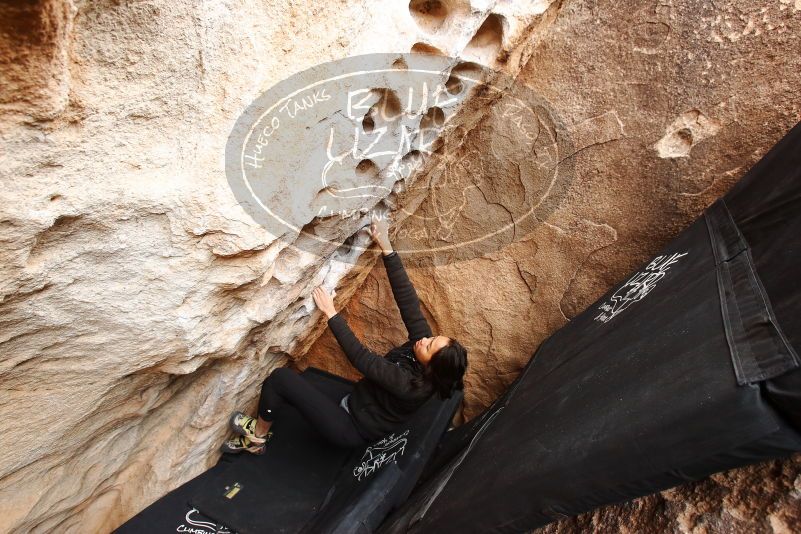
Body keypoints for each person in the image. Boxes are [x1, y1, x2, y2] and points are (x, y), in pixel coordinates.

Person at [221, 215, 468, 454]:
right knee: (297, 386)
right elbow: (408, 301)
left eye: (429, 347)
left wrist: (331, 313)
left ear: (431, 368)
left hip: (351, 428)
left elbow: (362, 358)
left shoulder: (410, 386)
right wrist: (387, 246)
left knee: (280, 379)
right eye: (432, 338)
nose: (424, 340)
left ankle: (257, 438)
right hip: (357, 400)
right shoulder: (421, 347)